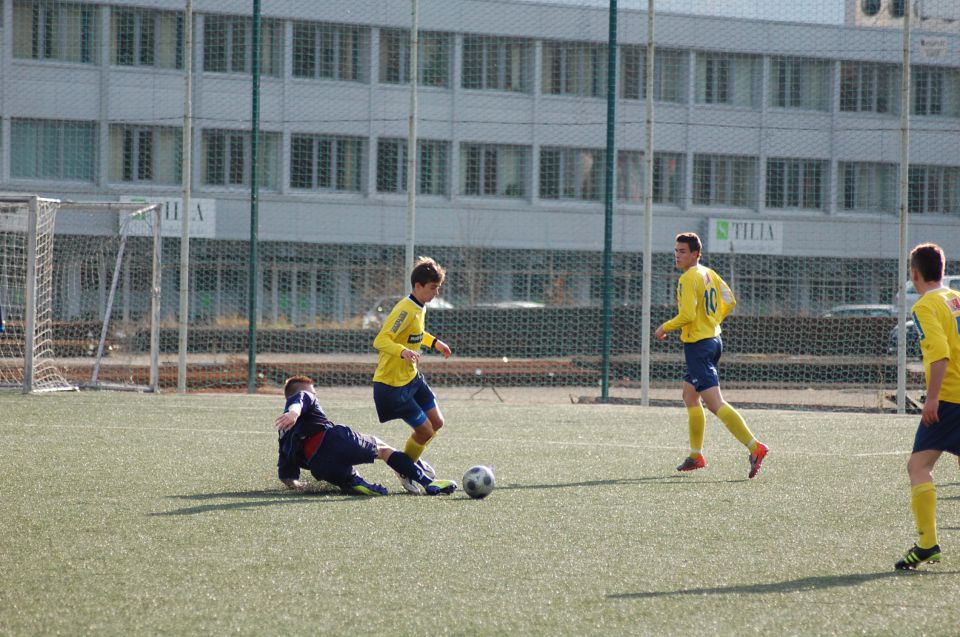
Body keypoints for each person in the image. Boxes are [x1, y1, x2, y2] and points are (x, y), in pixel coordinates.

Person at [655, 232, 769, 478]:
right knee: (690, 395)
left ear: (695, 254)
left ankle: (755, 447)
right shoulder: (709, 273)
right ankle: (696, 456)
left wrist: (664, 327)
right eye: (676, 250)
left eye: (682, 251)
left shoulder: (688, 278)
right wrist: (713, 320)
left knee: (715, 404)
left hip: (698, 346)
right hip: (714, 340)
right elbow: (730, 300)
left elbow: (686, 316)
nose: (677, 255)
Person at [275, 375, 457, 496]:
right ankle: (427, 482)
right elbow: (299, 402)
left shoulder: (283, 432)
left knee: (347, 478)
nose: (315, 395)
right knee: (383, 449)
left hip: (320, 466)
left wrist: (295, 484)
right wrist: (294, 413)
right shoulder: (303, 397)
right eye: (314, 392)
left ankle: (353, 481)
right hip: (333, 440)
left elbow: (286, 473)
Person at [894, 243, 960, 569]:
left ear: (914, 274)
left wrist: (931, 398)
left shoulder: (925, 306)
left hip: (950, 399)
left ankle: (927, 543)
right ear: (943, 270)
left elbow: (939, 352)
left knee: (918, 467)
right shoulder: (955, 299)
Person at [372, 256, 453, 494]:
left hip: (412, 378)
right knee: (425, 431)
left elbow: (416, 334)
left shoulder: (420, 306)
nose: (435, 293)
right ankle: (406, 470)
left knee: (437, 422)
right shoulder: (405, 309)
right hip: (392, 386)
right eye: (432, 288)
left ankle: (408, 462)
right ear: (417, 286)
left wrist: (435, 343)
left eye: (438, 288)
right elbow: (381, 340)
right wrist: (402, 351)